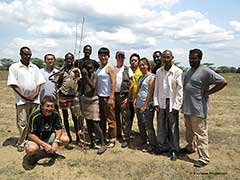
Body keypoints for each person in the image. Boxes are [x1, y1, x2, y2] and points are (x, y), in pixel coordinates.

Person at [181, 48, 227, 167]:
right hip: (187, 108)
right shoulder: (189, 71)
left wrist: (209, 92)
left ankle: (204, 158)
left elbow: (222, 81)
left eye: (194, 58)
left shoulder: (206, 71)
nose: (192, 60)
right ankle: (190, 147)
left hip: (198, 109)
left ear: (200, 58)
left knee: (201, 134)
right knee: (189, 132)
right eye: (190, 58)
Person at [7, 46, 45, 152]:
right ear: (20, 54)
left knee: (35, 121)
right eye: (25, 54)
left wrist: (35, 94)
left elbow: (39, 83)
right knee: (23, 122)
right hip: (21, 100)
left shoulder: (35, 67)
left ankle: (34, 140)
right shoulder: (14, 67)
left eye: (29, 55)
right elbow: (13, 84)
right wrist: (24, 96)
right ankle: (22, 141)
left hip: (35, 100)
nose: (28, 56)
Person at [153, 50, 183, 160]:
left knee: (173, 127)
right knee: (161, 126)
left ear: (172, 58)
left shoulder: (177, 71)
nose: (166, 60)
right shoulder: (159, 71)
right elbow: (156, 88)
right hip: (161, 102)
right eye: (164, 57)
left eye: (168, 57)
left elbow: (180, 90)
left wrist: (177, 106)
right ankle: (162, 146)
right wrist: (155, 102)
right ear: (161, 58)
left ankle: (174, 149)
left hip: (172, 103)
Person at [25, 95, 69, 165]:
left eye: (52, 106)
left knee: (65, 139)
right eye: (47, 106)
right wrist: (44, 144)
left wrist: (56, 141)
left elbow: (59, 128)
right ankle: (33, 156)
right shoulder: (34, 116)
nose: (49, 108)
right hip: (36, 139)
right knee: (31, 149)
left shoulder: (55, 114)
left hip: (49, 137)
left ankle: (50, 152)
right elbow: (30, 135)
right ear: (41, 106)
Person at [81, 60, 107, 154]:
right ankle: (92, 142)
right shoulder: (85, 76)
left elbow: (92, 87)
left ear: (94, 68)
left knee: (95, 123)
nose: (89, 70)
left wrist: (86, 76)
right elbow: (83, 87)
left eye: (91, 68)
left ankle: (103, 143)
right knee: (88, 122)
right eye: (87, 68)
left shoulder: (94, 75)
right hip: (86, 100)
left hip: (93, 100)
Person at [57, 53, 81, 144]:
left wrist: (78, 93)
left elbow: (80, 83)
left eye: (71, 59)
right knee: (65, 117)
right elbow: (59, 84)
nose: (69, 61)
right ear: (65, 60)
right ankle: (69, 137)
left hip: (73, 96)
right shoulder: (62, 70)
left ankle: (78, 138)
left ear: (73, 60)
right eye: (67, 59)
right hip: (63, 95)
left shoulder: (76, 70)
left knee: (75, 117)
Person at [135, 58, 157, 153]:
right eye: (140, 65)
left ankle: (152, 144)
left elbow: (150, 92)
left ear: (148, 65)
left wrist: (145, 105)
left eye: (144, 64)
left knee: (148, 125)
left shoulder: (152, 77)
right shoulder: (140, 77)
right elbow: (139, 90)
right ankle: (143, 139)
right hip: (139, 104)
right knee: (141, 124)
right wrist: (135, 99)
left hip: (147, 105)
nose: (142, 66)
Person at [96, 47, 117, 148]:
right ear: (99, 56)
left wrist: (111, 97)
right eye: (101, 55)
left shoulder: (110, 68)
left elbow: (113, 82)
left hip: (107, 96)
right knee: (102, 119)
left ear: (108, 56)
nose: (103, 57)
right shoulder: (99, 68)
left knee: (110, 118)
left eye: (105, 55)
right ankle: (103, 136)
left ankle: (112, 138)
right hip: (99, 97)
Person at [114, 51, 134, 148]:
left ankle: (127, 138)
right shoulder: (113, 69)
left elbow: (132, 85)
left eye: (122, 57)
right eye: (118, 57)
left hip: (123, 96)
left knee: (125, 118)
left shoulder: (127, 70)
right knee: (116, 117)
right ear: (116, 58)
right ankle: (118, 134)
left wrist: (128, 98)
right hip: (114, 96)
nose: (120, 59)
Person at [129, 53, 142, 135]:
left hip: (139, 100)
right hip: (129, 99)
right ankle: (128, 133)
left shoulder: (141, 71)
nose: (133, 62)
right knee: (129, 118)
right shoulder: (127, 71)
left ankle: (142, 135)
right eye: (132, 60)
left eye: (135, 60)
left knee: (140, 119)